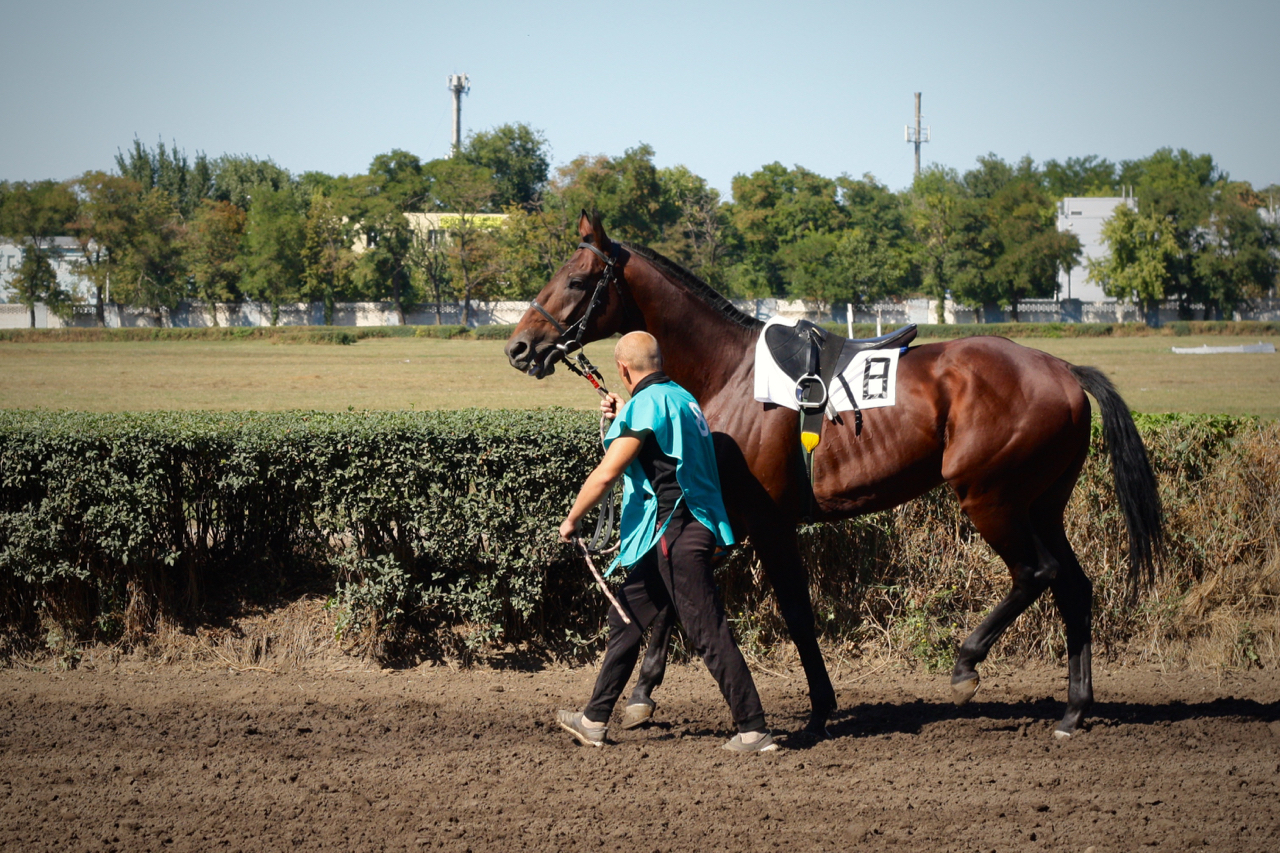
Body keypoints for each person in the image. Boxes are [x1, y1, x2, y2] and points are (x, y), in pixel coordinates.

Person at [556, 331, 776, 753]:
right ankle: (595, 719)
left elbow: (606, 474)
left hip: (676, 534)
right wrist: (627, 411)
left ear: (622, 368)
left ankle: (753, 729)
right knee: (625, 617)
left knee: (708, 631)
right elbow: (661, 436)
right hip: (681, 532)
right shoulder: (681, 396)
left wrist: (571, 520)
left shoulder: (646, 404)